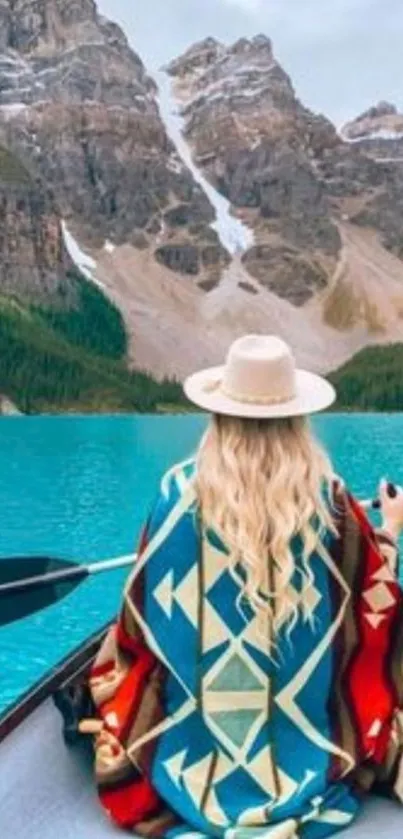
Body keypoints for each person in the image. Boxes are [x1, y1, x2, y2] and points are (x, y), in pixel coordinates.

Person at [79, 335, 403, 839]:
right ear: (297, 421)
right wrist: (392, 531)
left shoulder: (174, 495)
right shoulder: (333, 504)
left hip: (189, 762)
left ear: (219, 417)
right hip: (311, 763)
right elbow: (375, 609)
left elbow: (137, 626)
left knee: (114, 674)